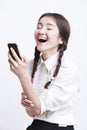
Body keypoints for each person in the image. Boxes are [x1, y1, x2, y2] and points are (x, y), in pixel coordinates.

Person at [8, 12, 79, 130]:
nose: (41, 31)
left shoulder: (68, 69)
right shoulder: (30, 65)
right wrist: (27, 102)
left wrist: (23, 76)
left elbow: (37, 108)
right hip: (37, 125)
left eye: (49, 28)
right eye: (39, 26)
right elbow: (33, 112)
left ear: (61, 39)